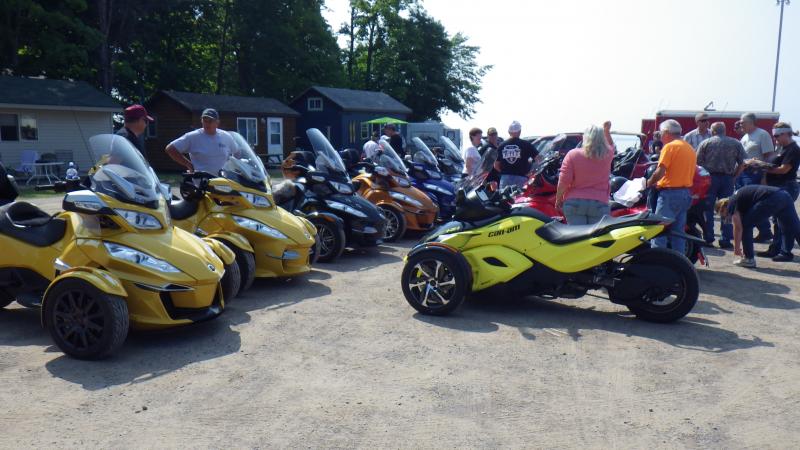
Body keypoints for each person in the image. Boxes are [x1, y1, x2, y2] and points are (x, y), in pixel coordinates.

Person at [716, 185, 800, 267]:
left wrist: (737, 248)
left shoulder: (731, 203)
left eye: (723, 214)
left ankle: (749, 259)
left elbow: (738, 228)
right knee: (795, 228)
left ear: (723, 207)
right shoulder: (738, 198)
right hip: (784, 195)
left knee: (746, 225)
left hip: (772, 198)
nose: (726, 217)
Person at [645, 119, 696, 254]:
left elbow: (659, 172)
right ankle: (679, 262)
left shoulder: (669, 147)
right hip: (685, 194)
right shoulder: (689, 148)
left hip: (670, 194)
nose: (660, 136)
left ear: (667, 132)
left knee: (659, 231)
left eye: (661, 133)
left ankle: (657, 264)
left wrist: (648, 183)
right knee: (678, 234)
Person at [695, 122, 748, 248]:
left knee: (708, 209)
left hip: (710, 179)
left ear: (712, 131)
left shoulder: (705, 143)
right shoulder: (735, 143)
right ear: (724, 130)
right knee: (727, 208)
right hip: (728, 179)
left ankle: (708, 237)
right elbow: (743, 163)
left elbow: (697, 163)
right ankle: (725, 239)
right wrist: (735, 176)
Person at [555, 121, 615, 225]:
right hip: (600, 203)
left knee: (577, 239)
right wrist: (606, 131)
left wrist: (558, 199)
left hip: (574, 202)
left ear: (585, 137)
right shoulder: (607, 154)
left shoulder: (573, 154)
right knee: (596, 240)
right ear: (602, 138)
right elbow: (611, 145)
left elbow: (564, 180)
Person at [755, 122, 800, 259]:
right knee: (779, 220)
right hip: (778, 186)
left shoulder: (793, 149)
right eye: (774, 136)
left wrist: (764, 167)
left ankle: (784, 251)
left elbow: (784, 169)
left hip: (787, 185)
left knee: (785, 221)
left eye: (777, 136)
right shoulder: (781, 147)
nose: (775, 139)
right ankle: (777, 249)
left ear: (787, 133)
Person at [738, 112, 776, 242]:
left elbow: (769, 157)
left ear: (751, 122)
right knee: (746, 203)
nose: (740, 123)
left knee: (754, 203)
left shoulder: (762, 134)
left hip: (756, 173)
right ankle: (764, 231)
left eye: (743, 121)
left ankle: (765, 231)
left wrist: (764, 177)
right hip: (744, 173)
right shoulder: (745, 137)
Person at [165, 108, 237, 174]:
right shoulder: (193, 136)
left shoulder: (226, 136)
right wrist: (188, 164)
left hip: (223, 182)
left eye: (210, 121)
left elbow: (237, 152)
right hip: (202, 183)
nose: (207, 123)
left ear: (217, 123)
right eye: (205, 121)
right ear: (201, 121)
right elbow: (170, 149)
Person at [494, 120, 537, 190]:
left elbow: (496, 165)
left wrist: (505, 173)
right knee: (520, 200)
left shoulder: (501, 146)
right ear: (520, 131)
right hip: (521, 178)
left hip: (505, 178)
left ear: (509, 132)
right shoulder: (526, 144)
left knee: (504, 199)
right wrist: (532, 172)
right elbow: (538, 159)